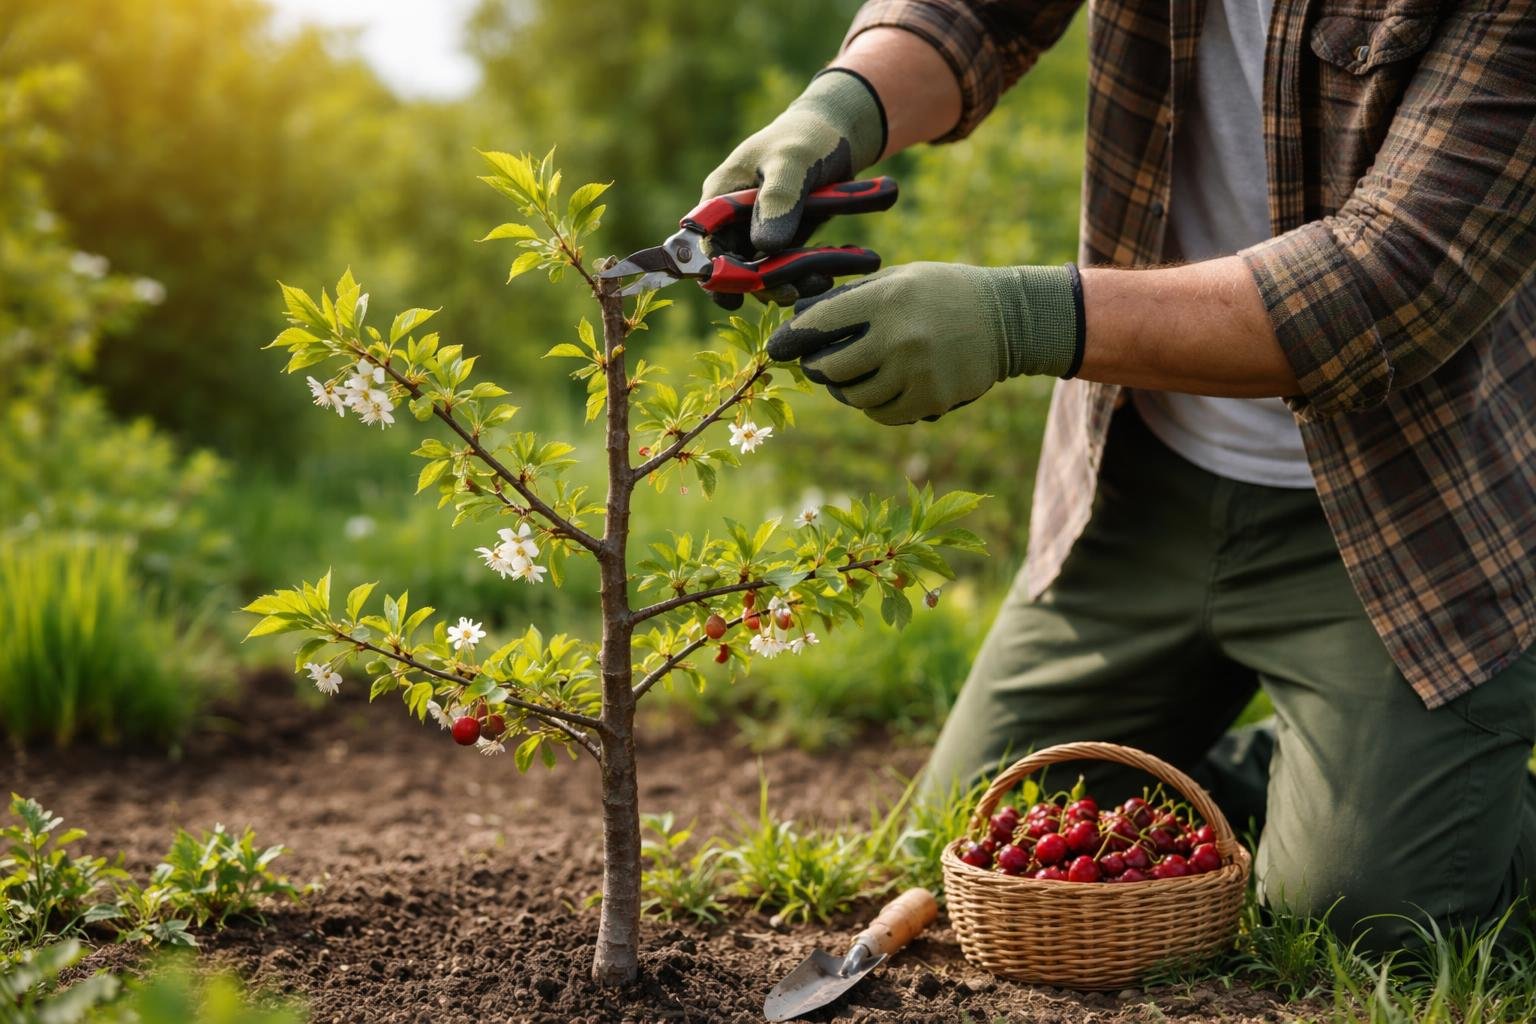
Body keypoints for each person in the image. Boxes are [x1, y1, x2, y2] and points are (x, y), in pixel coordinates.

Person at [699, 0, 1536, 948]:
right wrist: (841, 106)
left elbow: (1393, 279)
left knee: (1368, 917)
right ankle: (1334, 774)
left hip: (1405, 516)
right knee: (975, 835)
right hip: (1141, 474)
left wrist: (1018, 320)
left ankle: (1410, 791)